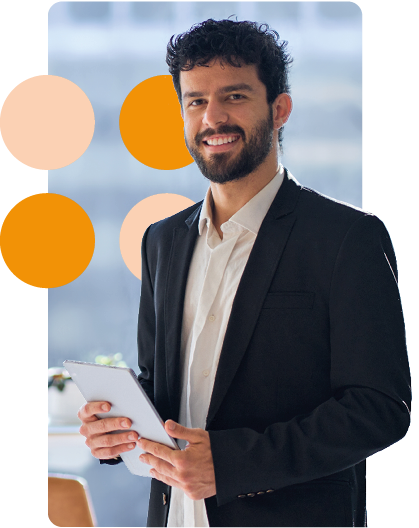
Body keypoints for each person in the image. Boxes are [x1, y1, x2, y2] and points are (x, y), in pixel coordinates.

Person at [78, 19, 411, 527]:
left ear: (279, 109)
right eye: (195, 101)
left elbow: (379, 407)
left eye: (234, 96)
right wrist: (117, 429)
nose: (213, 118)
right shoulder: (161, 241)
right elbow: (166, 390)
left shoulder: (346, 239)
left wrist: (232, 464)